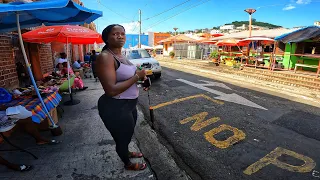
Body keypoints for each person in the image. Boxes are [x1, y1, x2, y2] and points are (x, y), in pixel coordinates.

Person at [96, 24, 148, 171]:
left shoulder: (121, 55)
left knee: (127, 134)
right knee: (122, 137)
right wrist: (137, 76)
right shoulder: (106, 57)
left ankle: (126, 151)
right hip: (115, 106)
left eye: (122, 33)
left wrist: (142, 79)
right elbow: (111, 90)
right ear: (106, 38)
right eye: (115, 34)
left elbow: (129, 76)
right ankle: (127, 163)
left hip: (129, 105)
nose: (120, 36)